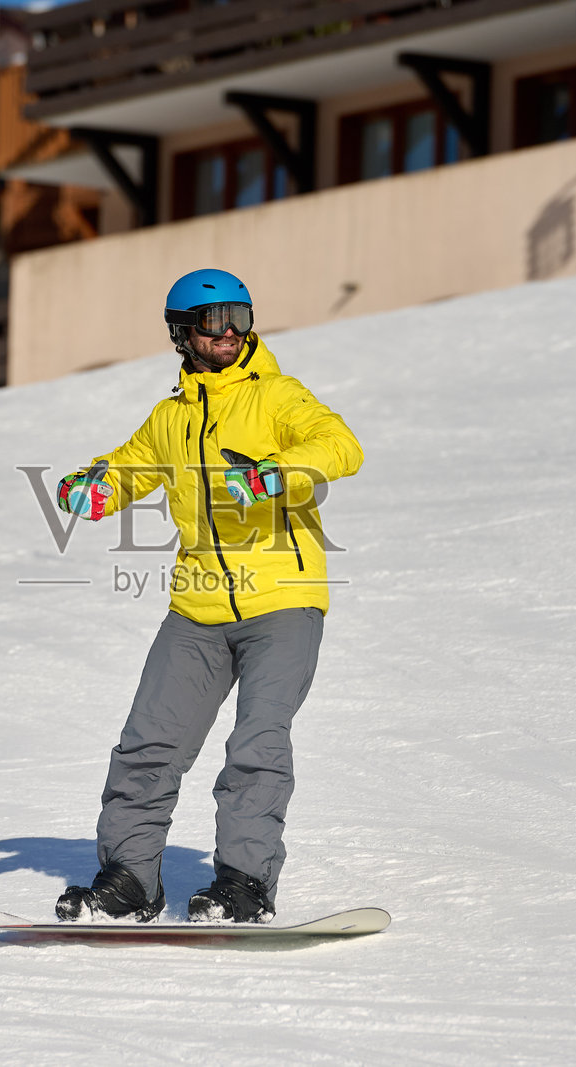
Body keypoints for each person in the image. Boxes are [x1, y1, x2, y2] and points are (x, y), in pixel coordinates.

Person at [53, 268, 364, 923]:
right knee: (147, 746)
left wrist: (278, 473)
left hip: (282, 600)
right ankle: (131, 881)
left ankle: (244, 883)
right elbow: (128, 467)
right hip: (197, 610)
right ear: (181, 333)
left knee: (256, 744)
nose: (228, 332)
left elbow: (339, 445)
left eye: (239, 318)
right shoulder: (171, 418)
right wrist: (96, 488)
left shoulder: (277, 396)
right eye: (213, 320)